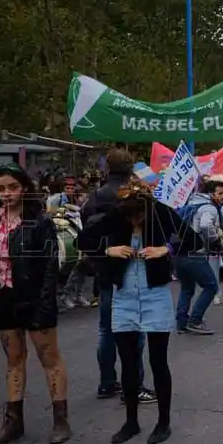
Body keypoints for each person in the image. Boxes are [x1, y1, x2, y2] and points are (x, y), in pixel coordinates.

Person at [79, 178, 202, 444]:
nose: (135, 221)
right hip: (123, 295)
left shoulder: (160, 212)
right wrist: (107, 249)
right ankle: (131, 421)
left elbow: (194, 239)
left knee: (158, 361)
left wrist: (165, 249)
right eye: (129, 216)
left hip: (155, 294)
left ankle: (163, 422)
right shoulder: (116, 215)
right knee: (129, 361)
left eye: (139, 215)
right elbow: (83, 239)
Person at [0, 163, 71, 444]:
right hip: (5, 298)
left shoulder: (39, 222)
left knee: (48, 358)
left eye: (12, 187)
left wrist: (44, 303)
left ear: (24, 188)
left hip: (35, 299)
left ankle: (61, 418)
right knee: (14, 359)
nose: (7, 194)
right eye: (1, 188)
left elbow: (49, 267)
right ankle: (13, 420)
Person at [82, 149, 157, 404]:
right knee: (134, 330)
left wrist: (100, 254)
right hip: (131, 268)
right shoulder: (134, 196)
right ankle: (133, 386)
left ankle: (107, 382)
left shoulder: (94, 197)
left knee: (107, 329)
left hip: (105, 269)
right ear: (130, 169)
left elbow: (87, 234)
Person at [174, 180, 222, 335]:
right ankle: (195, 320)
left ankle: (181, 322)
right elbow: (206, 225)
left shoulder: (190, 203)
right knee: (211, 286)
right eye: (220, 193)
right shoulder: (208, 207)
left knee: (187, 288)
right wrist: (215, 240)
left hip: (179, 254)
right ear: (210, 194)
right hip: (195, 254)